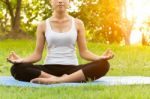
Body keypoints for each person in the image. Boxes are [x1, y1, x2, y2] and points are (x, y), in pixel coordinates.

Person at [7, 0, 114, 84]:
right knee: (16, 68)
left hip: (73, 69)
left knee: (103, 65)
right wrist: (21, 60)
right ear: (51, 2)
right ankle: (56, 79)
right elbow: (37, 55)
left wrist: (100, 58)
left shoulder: (78, 23)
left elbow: (84, 52)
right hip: (48, 69)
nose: (60, 1)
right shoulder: (43, 25)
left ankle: (56, 81)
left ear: (69, 2)